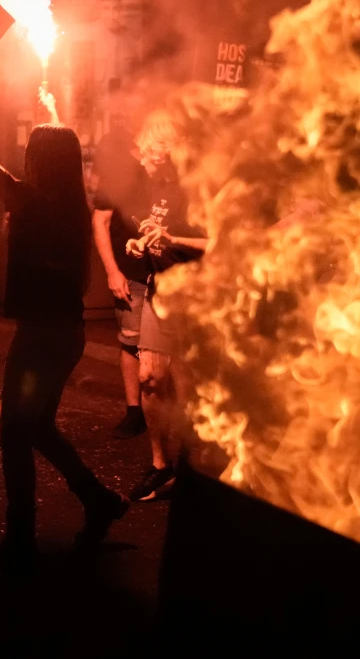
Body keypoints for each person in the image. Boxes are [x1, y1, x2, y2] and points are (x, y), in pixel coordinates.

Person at [0, 52, 129, 572]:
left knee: (15, 432)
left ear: (38, 162)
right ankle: (99, 501)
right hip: (65, 333)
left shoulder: (30, 202)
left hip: (41, 337)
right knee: (39, 428)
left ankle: (20, 541)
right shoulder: (71, 206)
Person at [125, 116, 209, 504]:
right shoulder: (160, 190)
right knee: (150, 379)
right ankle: (161, 467)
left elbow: (223, 243)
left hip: (195, 300)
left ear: (166, 152)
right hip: (158, 294)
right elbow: (157, 235)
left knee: (191, 389)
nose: (142, 162)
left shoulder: (202, 189)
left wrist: (174, 238)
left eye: (148, 155)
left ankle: (194, 466)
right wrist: (140, 242)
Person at [91, 110, 150, 440]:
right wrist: (113, 272)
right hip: (131, 273)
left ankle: (162, 411)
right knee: (131, 343)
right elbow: (99, 221)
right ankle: (134, 410)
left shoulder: (170, 172)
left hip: (167, 273)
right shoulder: (120, 170)